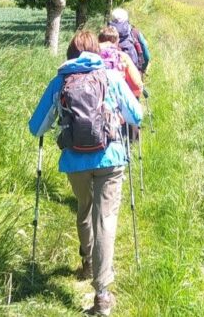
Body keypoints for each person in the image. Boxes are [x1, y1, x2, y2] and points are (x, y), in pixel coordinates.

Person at [29, 30, 142, 316]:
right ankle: (102, 293)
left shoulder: (60, 81)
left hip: (75, 161)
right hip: (111, 158)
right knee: (105, 218)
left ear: (70, 53)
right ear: (96, 51)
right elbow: (136, 115)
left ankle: (88, 262)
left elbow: (36, 127)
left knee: (84, 207)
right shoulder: (111, 77)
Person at [98, 26, 144, 99]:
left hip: (94, 104)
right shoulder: (122, 57)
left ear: (99, 41)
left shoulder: (91, 57)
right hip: (116, 102)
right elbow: (137, 88)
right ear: (117, 41)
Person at [109, 8, 151, 75]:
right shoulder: (134, 32)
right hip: (133, 72)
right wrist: (142, 70)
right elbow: (146, 56)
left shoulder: (106, 33)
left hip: (111, 73)